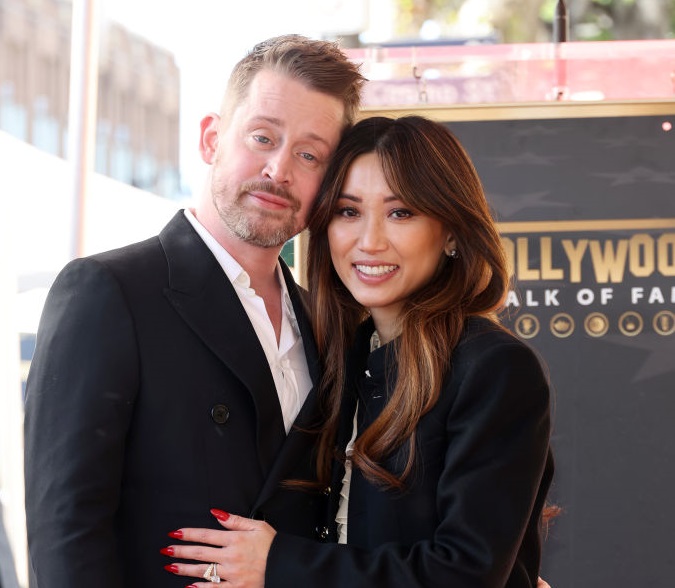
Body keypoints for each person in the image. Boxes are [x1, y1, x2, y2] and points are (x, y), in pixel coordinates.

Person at [23, 34, 365, 587]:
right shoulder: (108, 291)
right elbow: (66, 531)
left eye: (309, 155)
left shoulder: (328, 324)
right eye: (262, 137)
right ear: (211, 139)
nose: (279, 170)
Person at [162, 115, 555, 588]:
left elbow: (465, 573)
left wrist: (279, 563)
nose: (369, 242)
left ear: (451, 233)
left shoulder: (493, 368)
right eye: (349, 212)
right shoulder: (339, 356)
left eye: (400, 213)